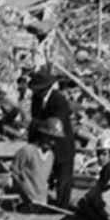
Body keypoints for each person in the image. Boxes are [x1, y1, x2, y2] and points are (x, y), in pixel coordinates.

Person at [27, 68, 80, 206]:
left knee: (63, 180)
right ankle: (37, 202)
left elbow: (55, 123)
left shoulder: (59, 101)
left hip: (62, 146)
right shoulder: (36, 99)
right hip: (44, 144)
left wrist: (37, 124)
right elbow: (35, 119)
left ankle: (62, 206)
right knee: (41, 176)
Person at [11, 119, 60, 208]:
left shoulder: (51, 156)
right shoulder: (27, 151)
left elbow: (43, 180)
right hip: (25, 202)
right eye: (49, 138)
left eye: (55, 139)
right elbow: (13, 174)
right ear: (42, 135)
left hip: (41, 202)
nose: (52, 142)